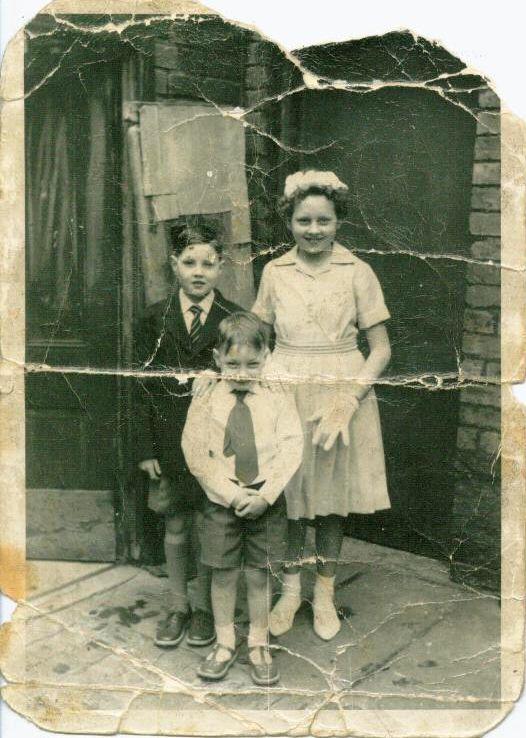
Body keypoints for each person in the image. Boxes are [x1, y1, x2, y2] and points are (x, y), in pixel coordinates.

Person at [251, 169, 392, 641]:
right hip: (286, 387)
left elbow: (382, 348)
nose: (314, 230)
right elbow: (256, 337)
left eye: (324, 221)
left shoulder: (358, 271)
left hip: (340, 392)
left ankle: (325, 593)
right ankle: (291, 590)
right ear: (289, 222)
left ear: (338, 222)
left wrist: (348, 400)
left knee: (331, 503)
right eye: (303, 220)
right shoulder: (274, 272)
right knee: (291, 499)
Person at [182, 312, 303, 686]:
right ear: (217, 358)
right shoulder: (206, 397)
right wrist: (232, 494)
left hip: (266, 500)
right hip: (223, 501)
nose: (242, 372)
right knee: (222, 574)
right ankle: (224, 641)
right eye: (232, 363)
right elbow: (195, 452)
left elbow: (292, 446)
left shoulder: (277, 396)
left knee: (259, 575)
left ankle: (257, 644)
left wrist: (266, 496)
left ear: (266, 356)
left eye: (252, 363)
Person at [135, 224, 241, 650]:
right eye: (189, 262)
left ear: (221, 267)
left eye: (208, 264)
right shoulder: (152, 318)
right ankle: (178, 604)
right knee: (176, 523)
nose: (199, 272)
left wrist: (217, 372)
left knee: (212, 525)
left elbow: (247, 376)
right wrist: (144, 448)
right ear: (173, 264)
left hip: (215, 444)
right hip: (167, 441)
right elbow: (138, 385)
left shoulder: (233, 320)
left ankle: (203, 608)